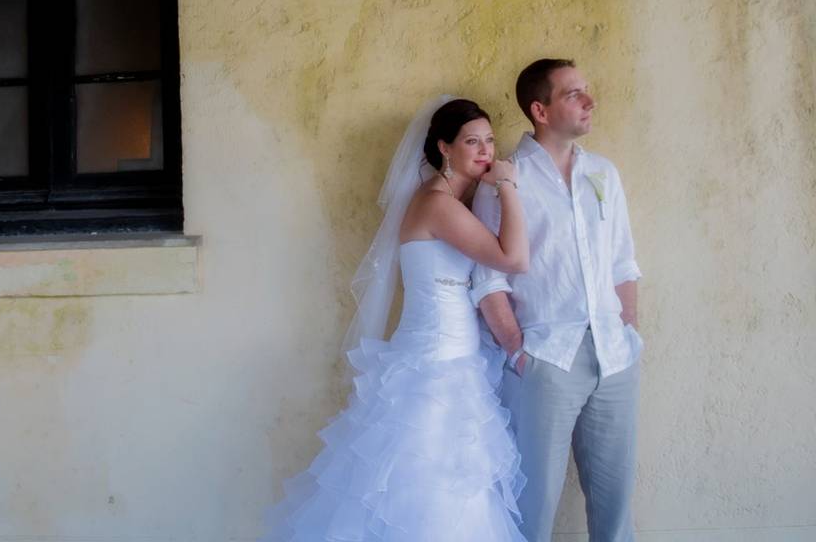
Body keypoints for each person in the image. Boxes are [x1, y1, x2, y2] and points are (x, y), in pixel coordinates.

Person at [262, 97, 529, 541]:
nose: (485, 151)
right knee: (425, 493)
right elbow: (514, 258)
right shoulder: (438, 204)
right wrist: (508, 186)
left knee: (456, 490)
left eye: (489, 140)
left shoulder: (450, 201)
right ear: (445, 147)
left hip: (456, 366)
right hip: (434, 369)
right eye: (471, 141)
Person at [472, 59, 643, 542]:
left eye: (586, 91)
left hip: (614, 357)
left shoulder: (604, 173)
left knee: (615, 506)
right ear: (540, 110)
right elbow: (488, 279)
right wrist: (518, 352)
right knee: (534, 503)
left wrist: (628, 331)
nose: (589, 101)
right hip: (546, 359)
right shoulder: (506, 178)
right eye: (573, 94)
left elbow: (623, 263)